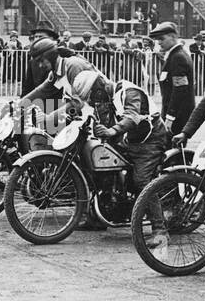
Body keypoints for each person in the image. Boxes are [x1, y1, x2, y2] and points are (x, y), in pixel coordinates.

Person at [71, 68, 169, 243]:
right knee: (102, 163)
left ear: (100, 86)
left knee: (142, 181)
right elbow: (99, 121)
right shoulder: (108, 100)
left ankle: (160, 230)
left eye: (92, 95)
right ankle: (98, 217)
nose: (93, 101)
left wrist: (112, 130)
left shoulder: (128, 92)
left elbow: (132, 117)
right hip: (131, 140)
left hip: (150, 141)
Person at [150, 21, 195, 135]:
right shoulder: (174, 55)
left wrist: (170, 117)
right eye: (157, 39)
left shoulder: (178, 57)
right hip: (174, 112)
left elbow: (180, 90)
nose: (159, 42)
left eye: (162, 39)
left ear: (173, 37)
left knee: (172, 150)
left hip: (178, 115)